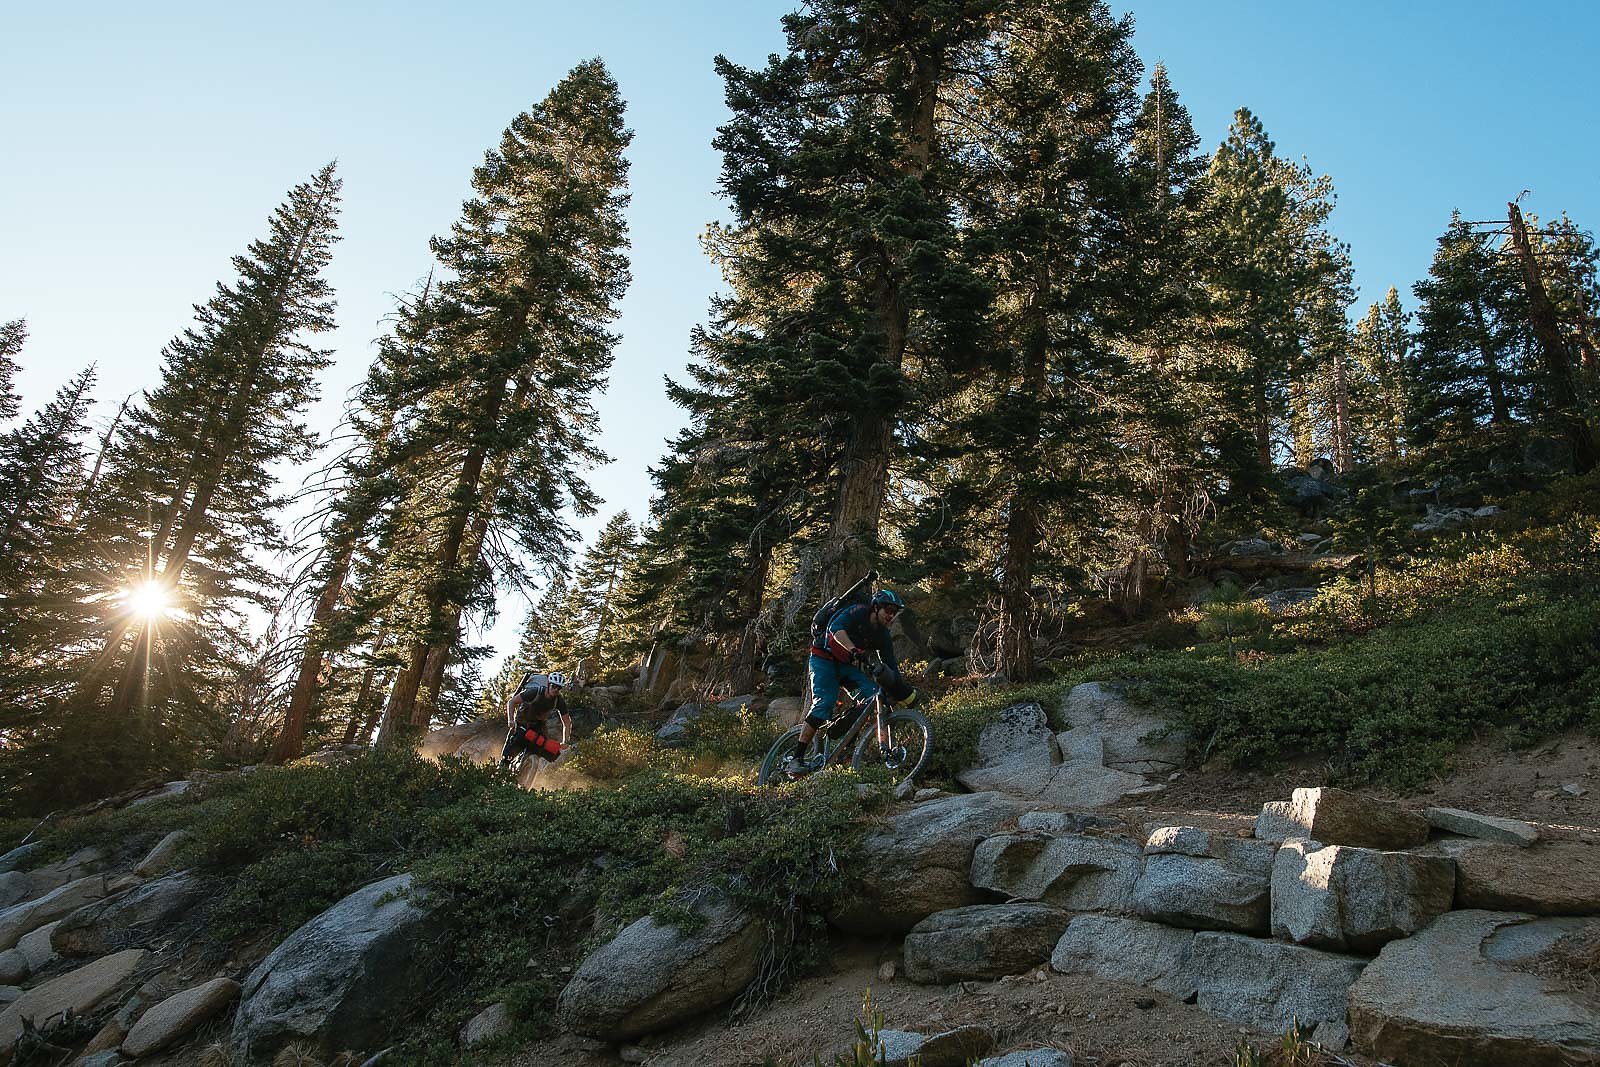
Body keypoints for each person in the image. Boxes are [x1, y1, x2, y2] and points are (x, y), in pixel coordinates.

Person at [784, 589, 912, 776]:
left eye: (894, 613)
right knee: (824, 703)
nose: (891, 616)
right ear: (876, 607)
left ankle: (846, 733)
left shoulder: (882, 635)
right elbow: (836, 630)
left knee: (875, 696)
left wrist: (899, 690)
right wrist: (853, 650)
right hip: (823, 659)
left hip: (845, 666)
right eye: (888, 610)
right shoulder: (858, 611)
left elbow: (891, 665)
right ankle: (796, 758)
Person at [500, 670, 573, 769]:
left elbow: (567, 722)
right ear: (548, 684)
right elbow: (512, 702)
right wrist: (511, 720)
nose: (555, 689)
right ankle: (502, 768)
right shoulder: (534, 692)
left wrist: (565, 741)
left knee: (547, 748)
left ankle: (527, 767)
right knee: (512, 747)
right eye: (553, 686)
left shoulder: (558, 700)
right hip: (522, 721)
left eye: (559, 688)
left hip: (539, 725)